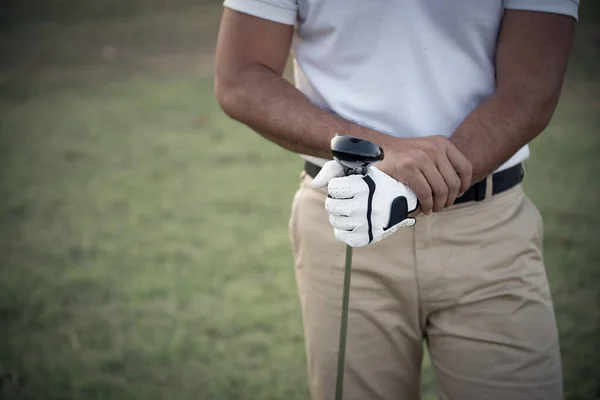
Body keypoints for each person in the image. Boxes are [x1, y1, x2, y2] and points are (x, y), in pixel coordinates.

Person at [214, 1, 579, 399]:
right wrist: (382, 151)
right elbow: (241, 77)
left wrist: (406, 188)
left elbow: (532, 86)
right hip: (346, 226)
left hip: (489, 230)